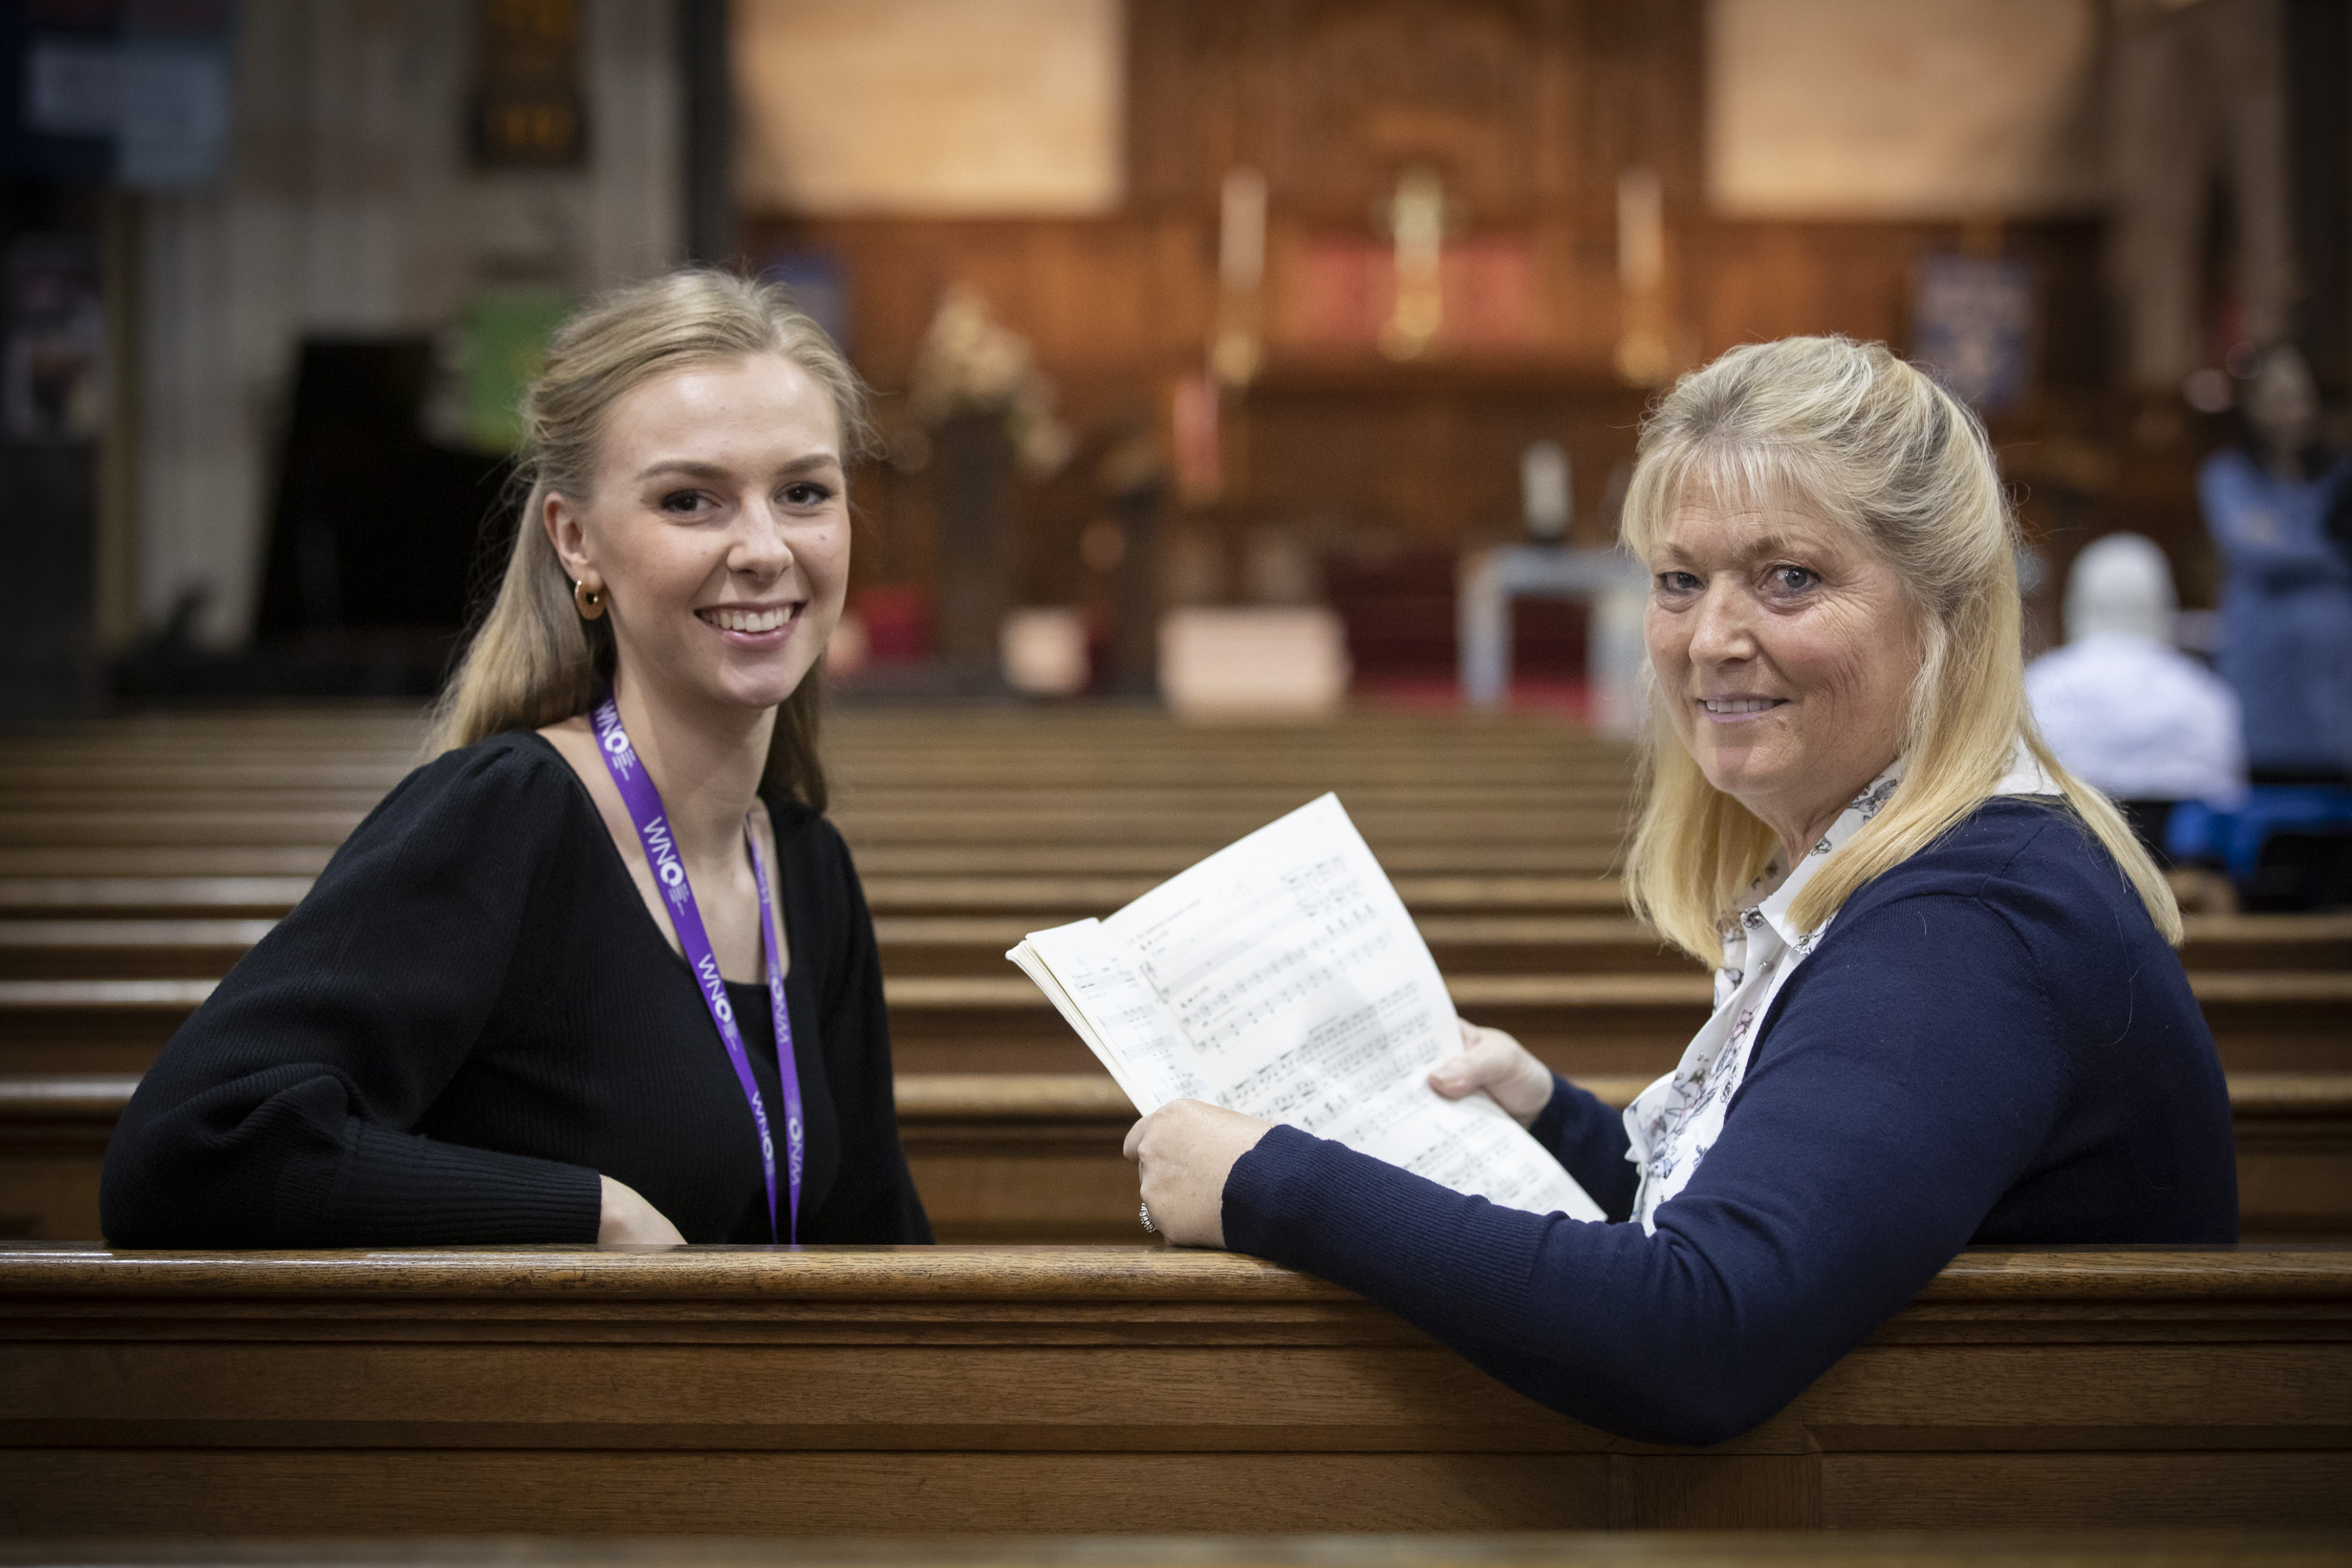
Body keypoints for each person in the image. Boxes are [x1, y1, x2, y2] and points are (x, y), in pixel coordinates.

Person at [1122, 336, 2235, 1447]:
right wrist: (1552, 1121)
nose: (1710, 639)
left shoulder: (1972, 922)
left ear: (1943, 607)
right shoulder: (1926, 866)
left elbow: (1697, 1333)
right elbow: (1789, 1222)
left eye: (1788, 577)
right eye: (1678, 581)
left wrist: (1270, 1183)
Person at [102, 270, 931, 1248]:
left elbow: (875, 1245)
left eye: (802, 492)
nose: (762, 547)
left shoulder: (803, 866)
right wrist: (587, 1211)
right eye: (690, 501)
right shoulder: (505, 816)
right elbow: (190, 1151)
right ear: (576, 540)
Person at [2025, 531, 2246, 861]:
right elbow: (2228, 804)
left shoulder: (2041, 686)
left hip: (2065, 871)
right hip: (2181, 888)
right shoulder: (2205, 694)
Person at [2199, 345, 2352, 781]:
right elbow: (2250, 551)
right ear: (2251, 406)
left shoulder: (2341, 477)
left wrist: (2282, 538)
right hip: (2263, 688)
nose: (2293, 411)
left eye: (2301, 396)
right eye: (2277, 397)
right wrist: (2333, 553)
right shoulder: (2227, 476)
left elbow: (2272, 548)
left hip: (2336, 696)